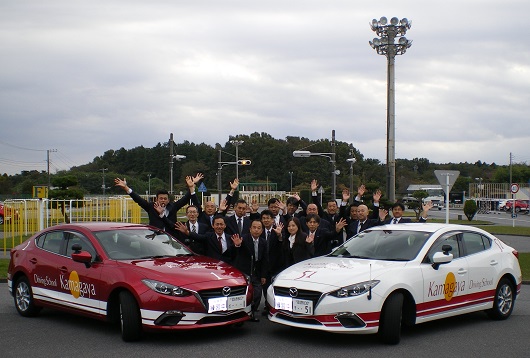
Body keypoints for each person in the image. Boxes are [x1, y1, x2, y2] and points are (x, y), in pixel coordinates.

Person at [114, 174, 199, 235]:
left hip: (172, 238)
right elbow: (138, 199)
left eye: (165, 199)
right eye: (160, 198)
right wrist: (126, 188)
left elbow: (185, 199)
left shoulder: (173, 207)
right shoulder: (151, 207)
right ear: (156, 199)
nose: (163, 200)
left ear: (168, 200)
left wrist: (192, 186)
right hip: (155, 238)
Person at [229, 219, 268, 322]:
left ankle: (252, 312)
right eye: (254, 227)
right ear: (250, 229)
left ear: (262, 230)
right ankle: (240, 313)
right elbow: (234, 252)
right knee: (244, 294)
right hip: (244, 271)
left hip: (256, 272)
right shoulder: (244, 239)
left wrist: (264, 275)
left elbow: (265, 260)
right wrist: (237, 245)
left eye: (259, 228)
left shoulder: (263, 242)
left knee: (258, 292)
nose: (256, 230)